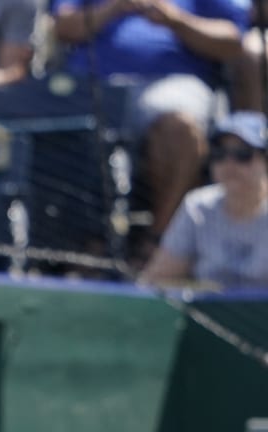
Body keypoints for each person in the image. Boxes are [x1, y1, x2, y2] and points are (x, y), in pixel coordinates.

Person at [51, 0, 249, 235]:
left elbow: (233, 42)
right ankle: (82, 248)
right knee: (55, 131)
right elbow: (62, 27)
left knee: (180, 129)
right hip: (92, 85)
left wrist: (176, 21)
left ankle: (160, 245)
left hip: (171, 82)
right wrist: (114, 7)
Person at [140, 110, 268, 287]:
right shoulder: (198, 207)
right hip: (207, 314)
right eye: (220, 153)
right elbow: (157, 281)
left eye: (242, 154)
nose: (229, 163)